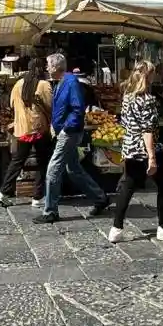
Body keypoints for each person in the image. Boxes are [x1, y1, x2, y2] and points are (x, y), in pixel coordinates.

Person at [108, 61, 163, 243]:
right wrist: (152, 157)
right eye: (153, 73)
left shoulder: (127, 97)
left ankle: (116, 228)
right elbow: (147, 131)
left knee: (128, 187)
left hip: (130, 148)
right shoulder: (147, 100)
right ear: (148, 76)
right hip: (146, 149)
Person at [36, 52, 110, 223]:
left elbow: (78, 109)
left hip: (69, 133)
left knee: (53, 169)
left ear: (55, 67)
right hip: (66, 132)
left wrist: (65, 129)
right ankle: (100, 198)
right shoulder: (61, 82)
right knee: (73, 169)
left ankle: (50, 211)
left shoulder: (71, 82)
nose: (46, 68)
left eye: (48, 64)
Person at [0, 58, 53, 207]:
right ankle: (38, 197)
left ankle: (3, 192)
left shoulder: (18, 84)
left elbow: (11, 105)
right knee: (43, 162)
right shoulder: (44, 84)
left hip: (22, 129)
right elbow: (51, 106)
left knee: (17, 161)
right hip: (39, 128)